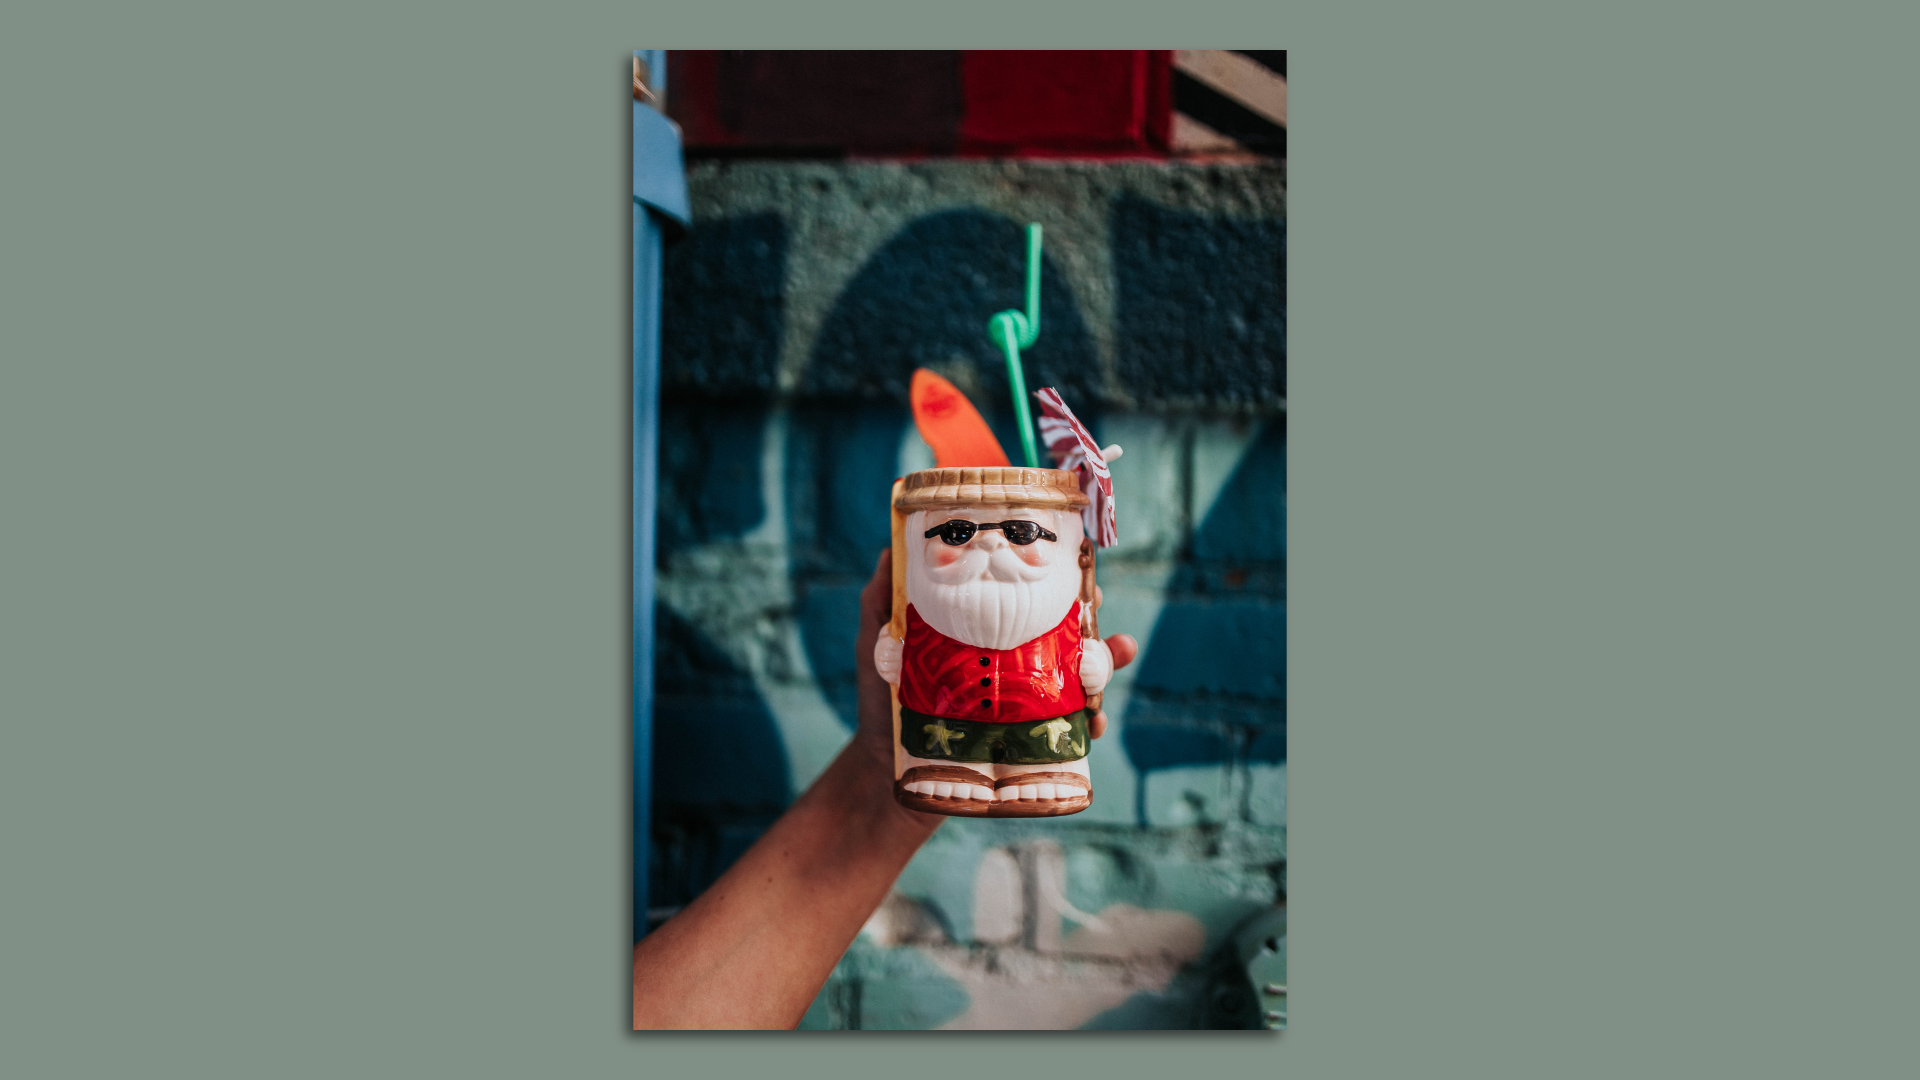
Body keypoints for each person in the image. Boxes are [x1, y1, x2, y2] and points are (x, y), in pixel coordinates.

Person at [632, 548, 1138, 1029]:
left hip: (1032, 721)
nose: (991, 550)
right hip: (938, 728)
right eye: (959, 534)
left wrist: (1088, 663)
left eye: (1023, 535)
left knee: (1041, 735)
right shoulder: (930, 621)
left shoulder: (1059, 615)